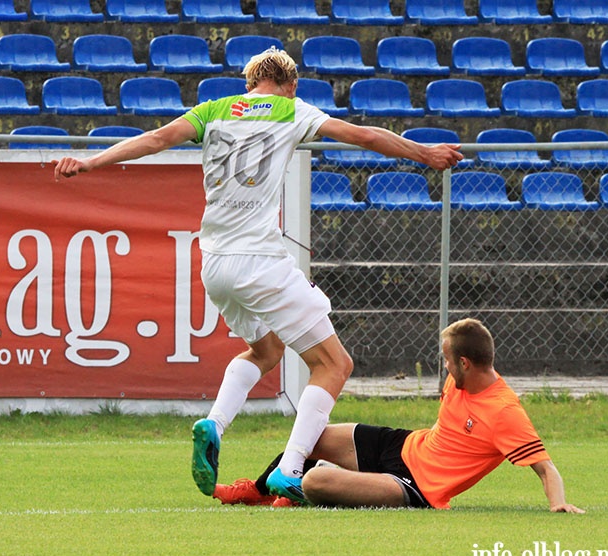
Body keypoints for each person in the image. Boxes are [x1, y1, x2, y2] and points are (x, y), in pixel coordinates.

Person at [53, 48, 462, 503]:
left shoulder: (214, 109)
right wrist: (423, 152)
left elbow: (154, 139)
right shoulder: (291, 109)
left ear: (249, 83)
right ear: (291, 84)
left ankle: (214, 423)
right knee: (333, 364)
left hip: (215, 264)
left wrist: (90, 162)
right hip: (260, 262)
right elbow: (363, 135)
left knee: (264, 350)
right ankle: (290, 470)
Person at [214, 318, 585, 513]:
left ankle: (313, 489)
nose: (443, 364)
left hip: (417, 488)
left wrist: (558, 503)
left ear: (465, 363)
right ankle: (257, 490)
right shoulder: (462, 379)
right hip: (404, 444)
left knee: (313, 482)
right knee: (312, 437)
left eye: (446, 358)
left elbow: (545, 467)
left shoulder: (505, 412)